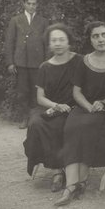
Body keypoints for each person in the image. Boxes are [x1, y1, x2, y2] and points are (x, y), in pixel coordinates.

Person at [54, 21, 105, 206]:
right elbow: (76, 91)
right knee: (72, 126)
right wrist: (88, 107)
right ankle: (72, 185)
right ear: (90, 40)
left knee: (87, 126)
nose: (100, 39)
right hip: (85, 107)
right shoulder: (84, 61)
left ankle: (79, 181)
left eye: (104, 34)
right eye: (95, 36)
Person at [23, 23, 82, 192]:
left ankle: (63, 169)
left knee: (60, 125)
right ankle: (57, 171)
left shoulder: (80, 61)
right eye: (54, 40)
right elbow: (40, 98)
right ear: (49, 44)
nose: (58, 43)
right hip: (50, 106)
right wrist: (56, 106)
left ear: (69, 42)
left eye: (61, 39)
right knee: (36, 124)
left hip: (73, 106)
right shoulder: (45, 67)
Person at [4, 0, 50, 129]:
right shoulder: (16, 20)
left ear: (37, 5)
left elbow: (47, 44)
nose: (31, 6)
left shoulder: (43, 21)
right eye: (28, 3)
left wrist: (46, 62)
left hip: (38, 63)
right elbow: (9, 42)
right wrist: (10, 62)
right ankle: (25, 118)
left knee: (37, 92)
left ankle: (35, 119)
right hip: (21, 62)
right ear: (24, 4)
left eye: (34, 4)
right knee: (22, 92)